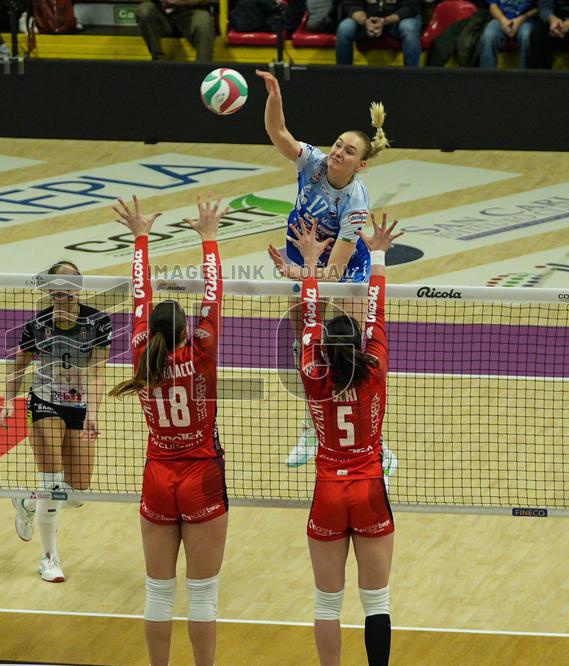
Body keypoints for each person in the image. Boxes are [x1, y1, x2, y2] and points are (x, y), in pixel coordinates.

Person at [255, 69, 398, 481]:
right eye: (338, 144)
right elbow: (279, 133)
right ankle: (311, 429)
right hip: (304, 257)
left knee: (358, 352)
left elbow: (335, 268)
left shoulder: (355, 203)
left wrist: (298, 270)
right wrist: (275, 96)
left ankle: (376, 439)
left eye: (348, 151)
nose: (338, 152)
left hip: (341, 268)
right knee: (306, 348)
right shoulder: (313, 162)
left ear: (361, 164)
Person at [109, 194, 227, 666]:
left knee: (158, 593)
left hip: (158, 476)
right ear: (186, 331)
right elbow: (213, 296)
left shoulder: (141, 352)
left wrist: (141, 236)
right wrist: (209, 237)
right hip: (200, 475)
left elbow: (139, 296)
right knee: (202, 595)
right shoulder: (200, 352)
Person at [292, 213, 402, 666]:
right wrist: (376, 253)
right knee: (377, 602)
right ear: (359, 345)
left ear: (322, 347)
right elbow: (375, 306)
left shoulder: (311, 372)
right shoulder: (373, 366)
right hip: (370, 487)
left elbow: (307, 316)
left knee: (326, 604)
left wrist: (310, 266)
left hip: (329, 492)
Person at [1, 260, 112, 583]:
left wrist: (93, 412)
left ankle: (25, 501)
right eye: (61, 284)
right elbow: (19, 366)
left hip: (78, 407)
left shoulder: (98, 322)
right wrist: (9, 400)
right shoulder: (37, 325)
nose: (69, 290)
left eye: (73, 283)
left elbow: (98, 370)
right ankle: (48, 557)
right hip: (45, 401)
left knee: (77, 493)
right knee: (51, 483)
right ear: (52, 290)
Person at [334, 0, 423, 67]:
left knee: (409, 28)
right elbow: (352, 4)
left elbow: (411, 7)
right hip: (367, 20)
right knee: (344, 28)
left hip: (399, 19)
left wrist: (384, 21)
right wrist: (366, 22)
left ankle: (412, 76)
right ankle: (343, 75)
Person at [135, 0, 215, 63]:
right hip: (162, 15)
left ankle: (202, 70)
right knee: (144, 10)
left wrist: (179, 2)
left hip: (190, 13)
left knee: (204, 20)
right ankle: (158, 63)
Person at [478, 0, 538, 68]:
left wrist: (521, 19)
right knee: (488, 36)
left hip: (525, 21)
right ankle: (487, 76)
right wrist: (503, 20)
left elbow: (540, 8)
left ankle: (526, 76)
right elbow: (493, 6)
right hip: (501, 19)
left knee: (527, 35)